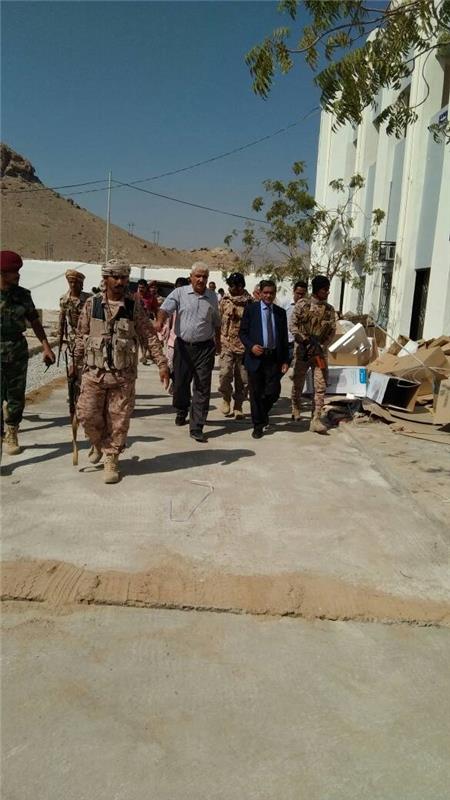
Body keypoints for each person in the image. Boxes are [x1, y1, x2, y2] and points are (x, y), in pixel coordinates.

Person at [74, 261, 169, 483]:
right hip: (94, 374)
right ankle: (97, 442)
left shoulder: (133, 306)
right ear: (105, 278)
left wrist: (162, 363)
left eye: (124, 277)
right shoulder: (92, 304)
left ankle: (111, 458)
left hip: (122, 376)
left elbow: (149, 336)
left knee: (118, 420)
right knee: (86, 415)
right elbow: (80, 336)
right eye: (115, 277)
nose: (120, 281)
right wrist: (74, 364)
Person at [155, 262, 221, 443]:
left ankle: (197, 426)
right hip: (183, 347)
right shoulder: (179, 293)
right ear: (191, 277)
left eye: (204, 277)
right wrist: (160, 321)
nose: (201, 280)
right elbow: (165, 309)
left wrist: (218, 342)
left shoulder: (212, 297)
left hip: (205, 348)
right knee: (180, 384)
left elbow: (216, 322)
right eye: (198, 276)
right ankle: (182, 408)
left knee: (202, 387)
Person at [0, 250, 56, 455]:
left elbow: (35, 322)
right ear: (2, 273)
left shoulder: (23, 295)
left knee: (16, 395)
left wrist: (46, 347)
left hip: (16, 351)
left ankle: (12, 431)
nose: (18, 275)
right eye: (14, 271)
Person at [239, 279, 289, 439]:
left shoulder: (280, 313)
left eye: (271, 293)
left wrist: (285, 360)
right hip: (255, 357)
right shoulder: (251, 310)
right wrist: (251, 346)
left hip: (273, 358)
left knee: (273, 392)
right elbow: (242, 333)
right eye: (265, 293)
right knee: (255, 393)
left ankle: (263, 413)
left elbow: (283, 338)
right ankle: (258, 425)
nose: (268, 296)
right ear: (260, 293)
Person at [289, 275, 336, 433]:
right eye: (324, 290)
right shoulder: (303, 304)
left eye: (328, 289)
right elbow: (293, 325)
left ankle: (315, 419)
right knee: (298, 382)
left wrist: (322, 345)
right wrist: (303, 340)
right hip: (303, 351)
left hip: (319, 354)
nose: (327, 292)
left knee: (320, 386)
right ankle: (296, 406)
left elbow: (332, 331)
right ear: (316, 290)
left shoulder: (329, 310)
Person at [218, 272, 252, 419]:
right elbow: (218, 321)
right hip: (226, 343)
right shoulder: (225, 301)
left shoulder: (250, 303)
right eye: (230, 285)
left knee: (243, 379)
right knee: (225, 373)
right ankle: (226, 397)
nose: (232, 288)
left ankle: (238, 405)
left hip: (244, 346)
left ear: (241, 286)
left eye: (234, 286)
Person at [58, 269, 90, 341]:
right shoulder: (64, 300)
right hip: (71, 335)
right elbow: (61, 320)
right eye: (70, 282)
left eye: (75, 282)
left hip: (86, 335)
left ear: (81, 284)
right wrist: (59, 337)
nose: (73, 285)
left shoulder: (88, 299)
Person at [285, 280, 308, 365]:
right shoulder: (285, 304)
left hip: (299, 344)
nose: (300, 296)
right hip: (286, 343)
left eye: (302, 294)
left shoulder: (308, 307)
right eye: (298, 293)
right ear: (293, 291)